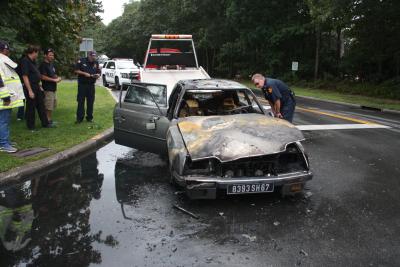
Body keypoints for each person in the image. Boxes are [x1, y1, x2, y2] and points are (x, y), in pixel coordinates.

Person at [20, 45, 53, 130]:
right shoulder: (25, 61)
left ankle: (45, 123)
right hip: (30, 87)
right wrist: (30, 90)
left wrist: (39, 85)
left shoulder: (33, 61)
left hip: (37, 86)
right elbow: (25, 76)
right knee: (31, 107)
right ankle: (31, 127)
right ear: (33, 52)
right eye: (37, 52)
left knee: (41, 105)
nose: (37, 54)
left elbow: (36, 74)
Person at [0, 40, 25, 153]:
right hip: (3, 98)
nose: (8, 52)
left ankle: (5, 141)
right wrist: (5, 97)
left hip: (5, 96)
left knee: (5, 120)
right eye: (7, 49)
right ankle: (4, 144)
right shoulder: (1, 60)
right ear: (3, 50)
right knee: (3, 121)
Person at [74, 51, 100, 123]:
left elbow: (98, 71)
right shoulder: (81, 61)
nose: (93, 57)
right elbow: (76, 70)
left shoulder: (96, 62)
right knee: (81, 101)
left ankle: (89, 118)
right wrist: (84, 73)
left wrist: (98, 75)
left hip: (91, 85)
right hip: (82, 85)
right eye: (92, 56)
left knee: (90, 102)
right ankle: (79, 118)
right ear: (88, 55)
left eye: (94, 56)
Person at [39, 48, 61, 125]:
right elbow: (42, 76)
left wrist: (57, 77)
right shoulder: (43, 65)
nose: (52, 56)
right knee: (48, 106)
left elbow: (52, 74)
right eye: (50, 55)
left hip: (53, 88)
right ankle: (46, 121)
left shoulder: (51, 64)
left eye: (53, 55)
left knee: (51, 105)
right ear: (45, 55)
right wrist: (54, 80)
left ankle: (49, 120)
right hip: (47, 89)